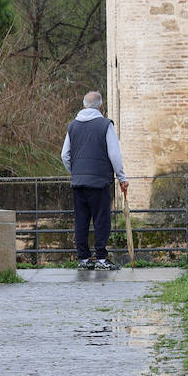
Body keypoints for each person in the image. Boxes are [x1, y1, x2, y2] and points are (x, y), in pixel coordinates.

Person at [61, 91, 128, 270]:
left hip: (78, 182)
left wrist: (75, 172)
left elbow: (65, 155)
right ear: (101, 107)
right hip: (99, 182)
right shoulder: (105, 125)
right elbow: (114, 154)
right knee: (101, 219)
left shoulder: (72, 126)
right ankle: (101, 258)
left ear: (83, 106)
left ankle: (83, 258)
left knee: (81, 220)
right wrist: (121, 177)